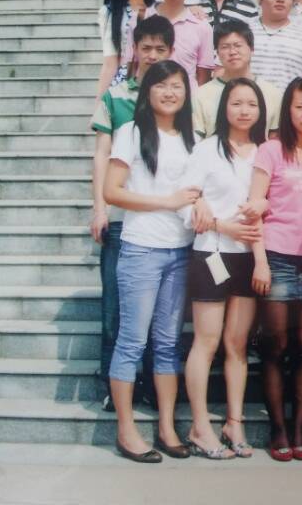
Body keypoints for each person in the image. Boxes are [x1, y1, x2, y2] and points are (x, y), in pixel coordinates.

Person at [103, 60, 199, 463]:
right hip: (142, 249)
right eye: (161, 85)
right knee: (132, 341)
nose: (169, 92)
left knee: (168, 344)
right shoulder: (130, 132)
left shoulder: (194, 139)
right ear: (148, 91)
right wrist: (167, 202)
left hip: (181, 251)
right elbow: (112, 192)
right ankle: (126, 431)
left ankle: (166, 427)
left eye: (177, 85)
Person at [90, 16, 174, 412]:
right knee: (115, 309)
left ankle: (154, 385)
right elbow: (102, 155)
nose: (153, 55)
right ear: (134, 49)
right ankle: (113, 385)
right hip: (123, 219)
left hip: (164, 226)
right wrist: (99, 207)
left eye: (161, 49)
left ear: (171, 51)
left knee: (160, 315)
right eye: (146, 48)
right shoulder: (117, 95)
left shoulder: (178, 95)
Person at [181, 78, 268, 460]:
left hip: (249, 257)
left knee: (237, 344)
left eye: (251, 104)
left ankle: (235, 423)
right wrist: (220, 224)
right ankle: (200, 427)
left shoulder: (265, 151)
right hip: (212, 254)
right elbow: (186, 205)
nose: (244, 110)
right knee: (207, 341)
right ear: (224, 108)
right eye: (236, 103)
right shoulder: (206, 149)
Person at [248, 78, 302, 462]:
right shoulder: (270, 150)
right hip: (277, 257)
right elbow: (254, 207)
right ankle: (278, 428)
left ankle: (300, 428)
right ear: (287, 110)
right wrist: (260, 261)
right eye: (300, 107)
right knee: (276, 344)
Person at [193, 20, 282, 138]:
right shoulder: (201, 95)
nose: (232, 52)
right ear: (217, 53)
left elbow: (274, 139)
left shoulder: (273, 93)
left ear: (252, 49)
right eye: (225, 47)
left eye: (238, 45)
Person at [95, 0, 157, 96]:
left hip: (158, 85)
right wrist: (98, 105)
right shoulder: (110, 13)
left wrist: (193, 9)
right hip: (124, 90)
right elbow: (110, 63)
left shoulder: (160, 7)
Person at [154, 0, 215, 90]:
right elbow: (133, 67)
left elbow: (203, 79)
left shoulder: (201, 26)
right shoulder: (142, 18)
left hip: (187, 101)